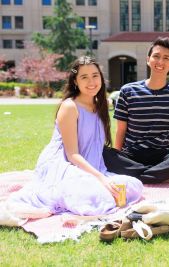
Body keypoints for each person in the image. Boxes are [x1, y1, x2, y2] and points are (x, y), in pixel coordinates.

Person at [7, 56, 143, 217]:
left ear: (101, 77)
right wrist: (101, 178)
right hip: (63, 164)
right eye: (84, 77)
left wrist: (102, 176)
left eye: (95, 75)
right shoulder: (70, 107)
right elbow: (72, 155)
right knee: (96, 195)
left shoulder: (101, 104)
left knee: (134, 185)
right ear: (75, 82)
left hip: (92, 166)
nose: (91, 81)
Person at [103, 37, 169, 184]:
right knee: (105, 153)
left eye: (166, 58)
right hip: (132, 154)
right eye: (156, 56)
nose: (160, 62)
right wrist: (118, 156)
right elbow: (120, 130)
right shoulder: (128, 90)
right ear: (148, 60)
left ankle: (138, 175)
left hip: (163, 155)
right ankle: (161, 175)